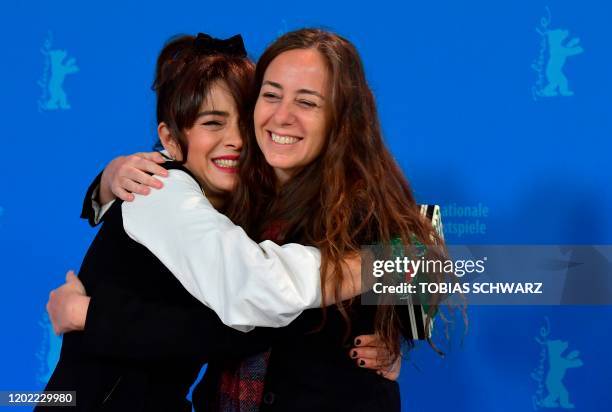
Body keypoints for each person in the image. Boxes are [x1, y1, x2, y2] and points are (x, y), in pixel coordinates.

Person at [85, 29, 445, 411]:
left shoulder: (366, 206)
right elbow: (233, 309)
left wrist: (392, 340)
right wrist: (107, 182)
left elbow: (422, 284)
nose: (281, 116)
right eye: (270, 95)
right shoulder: (226, 194)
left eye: (307, 102)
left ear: (341, 116)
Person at [40, 33, 371, 412]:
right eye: (213, 123)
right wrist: (377, 268)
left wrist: (390, 343)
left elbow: (209, 328)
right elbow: (253, 292)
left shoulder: (246, 204)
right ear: (171, 140)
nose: (236, 140)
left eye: (245, 123)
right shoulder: (158, 188)